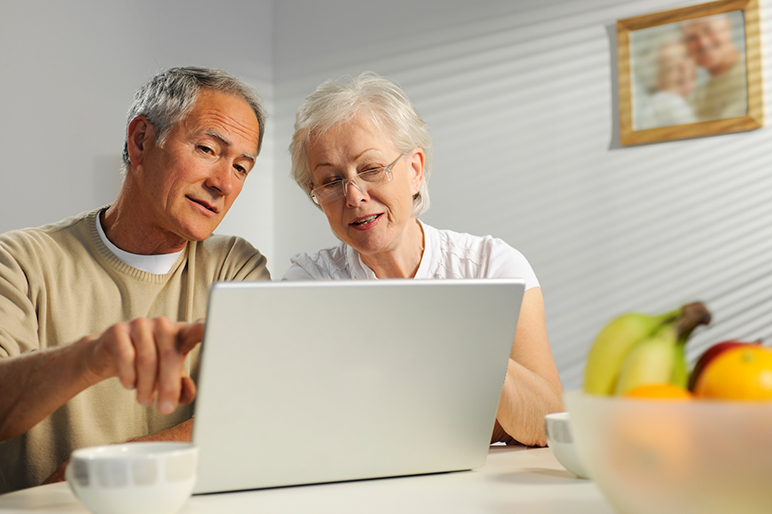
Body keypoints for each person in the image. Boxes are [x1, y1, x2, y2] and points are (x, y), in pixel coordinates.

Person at [0, 66, 270, 493]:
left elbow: (256, 413)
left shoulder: (233, 267)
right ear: (141, 140)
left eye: (241, 167)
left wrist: (100, 471)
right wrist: (92, 357)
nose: (223, 183)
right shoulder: (20, 260)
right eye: (206, 149)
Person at [283, 72, 563, 446]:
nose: (353, 196)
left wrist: (467, 345)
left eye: (370, 169)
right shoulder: (309, 283)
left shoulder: (492, 266)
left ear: (414, 171)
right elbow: (306, 423)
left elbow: (547, 424)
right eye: (331, 181)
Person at [681, 14, 747, 121]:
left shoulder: (752, 76)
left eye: (709, 30)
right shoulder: (697, 96)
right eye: (691, 38)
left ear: (727, 25)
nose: (703, 43)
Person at [636, 35, 697, 130]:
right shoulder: (670, 103)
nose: (684, 68)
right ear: (654, 79)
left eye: (685, 57)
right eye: (671, 67)